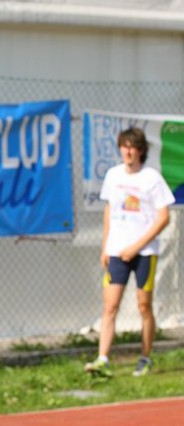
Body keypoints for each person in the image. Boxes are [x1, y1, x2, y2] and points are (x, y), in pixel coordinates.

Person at [84, 127, 175, 378]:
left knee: (144, 306)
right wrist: (106, 247)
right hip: (116, 253)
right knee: (109, 305)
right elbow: (109, 211)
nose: (128, 151)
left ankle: (145, 357)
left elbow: (163, 217)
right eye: (124, 146)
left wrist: (136, 246)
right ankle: (102, 359)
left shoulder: (152, 178)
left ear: (141, 150)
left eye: (133, 147)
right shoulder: (113, 175)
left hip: (145, 253)